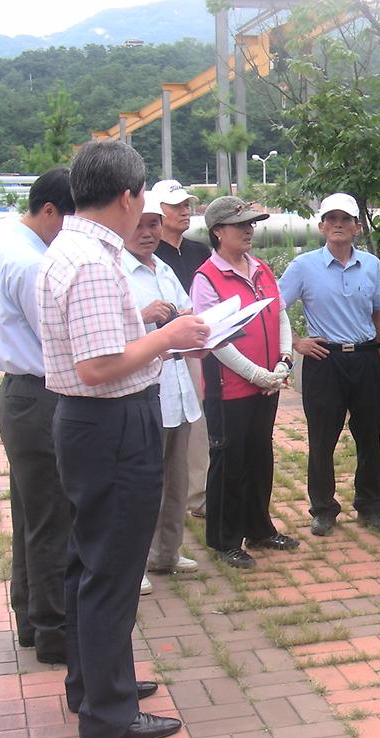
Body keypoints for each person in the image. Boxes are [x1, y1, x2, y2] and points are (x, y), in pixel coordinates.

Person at [38, 140, 210, 738]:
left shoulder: (72, 248)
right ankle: (108, 713)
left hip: (92, 422)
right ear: (128, 195)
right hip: (109, 422)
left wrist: (146, 327)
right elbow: (97, 366)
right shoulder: (92, 260)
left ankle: (94, 684)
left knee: (90, 560)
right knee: (111, 568)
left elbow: (95, 340)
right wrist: (169, 336)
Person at [0, 166, 75, 665]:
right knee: (53, 516)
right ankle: (55, 628)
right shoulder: (33, 264)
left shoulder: (3, 245)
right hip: (41, 394)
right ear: (50, 210)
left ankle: (33, 619)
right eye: (70, 220)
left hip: (20, 394)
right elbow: (62, 337)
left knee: (31, 513)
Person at [190, 195, 298, 570]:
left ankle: (259, 528)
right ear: (218, 231)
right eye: (240, 225)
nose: (249, 230)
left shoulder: (261, 268)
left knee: (259, 456)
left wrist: (284, 359)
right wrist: (255, 373)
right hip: (230, 387)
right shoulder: (207, 278)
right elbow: (214, 339)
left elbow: (280, 315)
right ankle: (225, 539)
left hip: (267, 382)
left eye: (251, 224)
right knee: (229, 462)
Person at [278, 193, 380, 536]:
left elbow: (378, 310)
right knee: (322, 438)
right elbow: (273, 307)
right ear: (321, 226)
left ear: (357, 227)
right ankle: (323, 508)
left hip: (365, 358)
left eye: (345, 219)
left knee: (369, 435)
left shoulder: (370, 264)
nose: (338, 225)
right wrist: (296, 342)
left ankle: (370, 504)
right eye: (331, 219)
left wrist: (378, 350)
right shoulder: (303, 266)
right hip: (324, 360)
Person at [122, 191, 201, 596]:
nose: (147, 233)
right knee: (141, 483)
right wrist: (144, 316)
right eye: (139, 224)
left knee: (176, 480)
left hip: (178, 387)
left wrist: (188, 319)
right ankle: (132, 563)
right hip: (143, 389)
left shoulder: (164, 269)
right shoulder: (116, 272)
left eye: (153, 224)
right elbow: (106, 334)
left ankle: (167, 552)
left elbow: (186, 311)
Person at [152, 178, 210, 521]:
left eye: (187, 205)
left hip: (198, 345)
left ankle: (199, 494)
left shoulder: (199, 251)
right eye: (176, 206)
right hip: (159, 351)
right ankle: (161, 500)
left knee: (199, 420)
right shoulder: (148, 254)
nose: (185, 211)